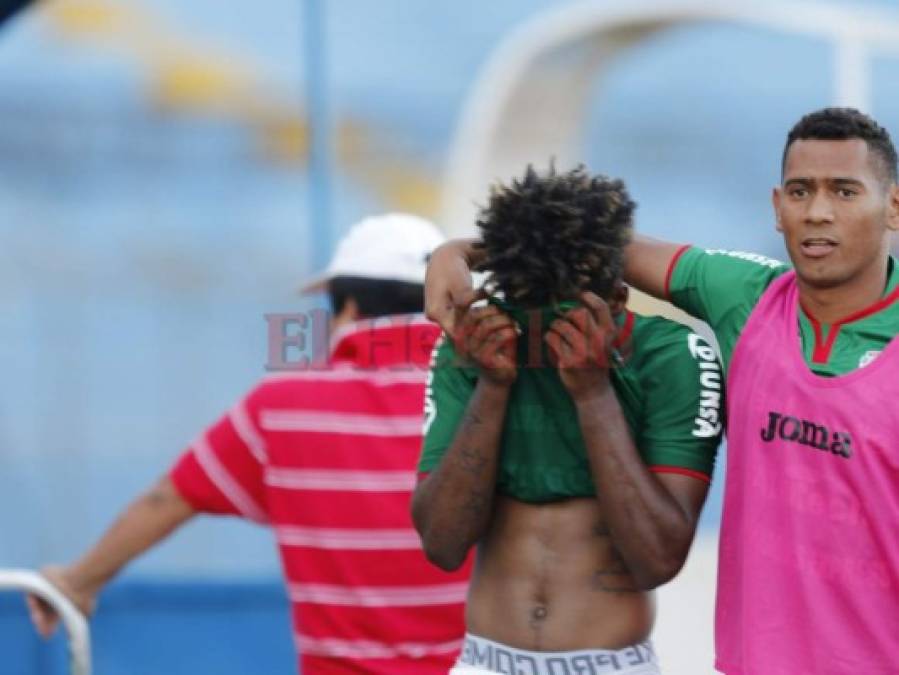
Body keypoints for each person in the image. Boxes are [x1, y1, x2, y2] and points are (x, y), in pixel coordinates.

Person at [425, 108, 899, 674]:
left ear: (893, 205)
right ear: (778, 208)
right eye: (801, 191)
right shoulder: (745, 297)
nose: (819, 212)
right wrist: (457, 253)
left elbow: (657, 557)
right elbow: (580, 238)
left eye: (845, 192)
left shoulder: (690, 346)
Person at [27, 213, 473, 675]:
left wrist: (78, 581)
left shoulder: (280, 406)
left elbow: (168, 498)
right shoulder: (485, 399)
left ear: (348, 307)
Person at [412, 165, 722, 675]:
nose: (541, 336)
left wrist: (594, 395)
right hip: (482, 662)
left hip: (612, 663)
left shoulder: (673, 356)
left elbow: (658, 559)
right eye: (525, 310)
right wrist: (492, 388)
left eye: (562, 314)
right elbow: (442, 545)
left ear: (618, 298)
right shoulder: (475, 344)